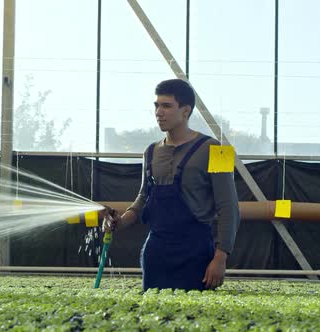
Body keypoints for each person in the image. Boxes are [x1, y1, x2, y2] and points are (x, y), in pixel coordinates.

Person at [103, 79, 240, 291]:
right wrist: (120, 222)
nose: (159, 112)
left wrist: (220, 258)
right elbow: (143, 199)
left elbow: (229, 207)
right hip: (156, 251)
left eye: (166, 106)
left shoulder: (218, 150)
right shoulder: (149, 152)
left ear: (186, 111)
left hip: (197, 253)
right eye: (156, 105)